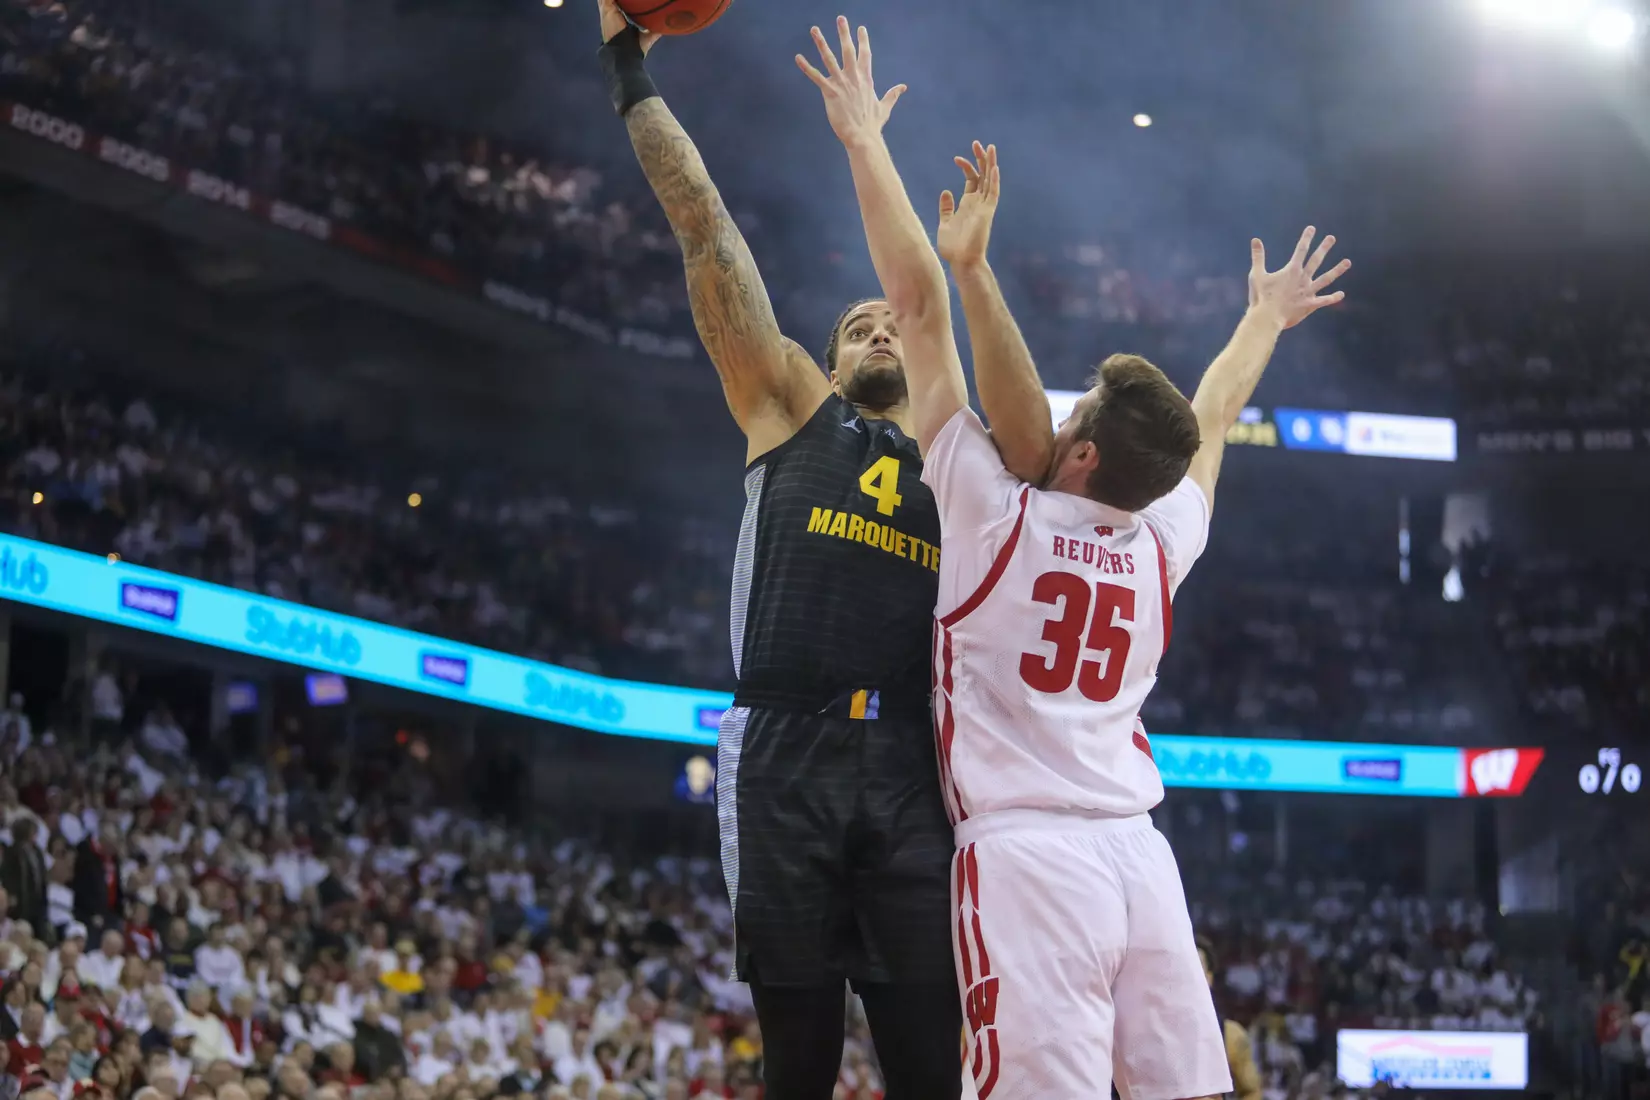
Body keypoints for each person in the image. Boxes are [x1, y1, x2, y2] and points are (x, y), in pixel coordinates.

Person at [800, 19, 1350, 1096]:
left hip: (1028, 853)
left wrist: (865, 142)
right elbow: (1219, 405)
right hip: (1142, 856)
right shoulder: (1161, 540)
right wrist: (1264, 322)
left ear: (1082, 449)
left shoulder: (995, 512)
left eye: (1075, 410)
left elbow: (913, 308)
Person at [595, 4, 1045, 1096]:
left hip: (908, 768)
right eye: (859, 327)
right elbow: (703, 224)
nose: (881, 330)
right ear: (829, 360)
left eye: (886, 321)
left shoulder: (963, 458)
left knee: (928, 1067)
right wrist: (626, 70)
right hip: (783, 749)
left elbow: (975, 363)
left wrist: (954, 271)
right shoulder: (789, 403)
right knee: (794, 1063)